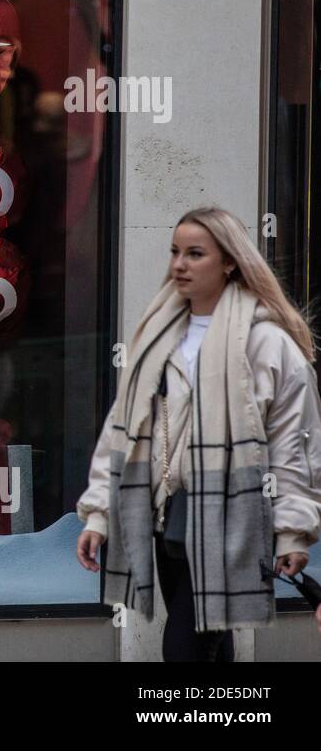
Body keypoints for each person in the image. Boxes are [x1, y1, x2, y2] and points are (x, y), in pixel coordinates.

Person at [76, 206, 321, 661]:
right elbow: (122, 427)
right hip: (170, 519)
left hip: (236, 520)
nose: (179, 264)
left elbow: (295, 447)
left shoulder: (267, 343)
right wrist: (98, 515)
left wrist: (292, 532)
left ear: (230, 261)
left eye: (195, 253)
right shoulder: (159, 333)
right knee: (210, 642)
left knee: (185, 649)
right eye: (175, 252)